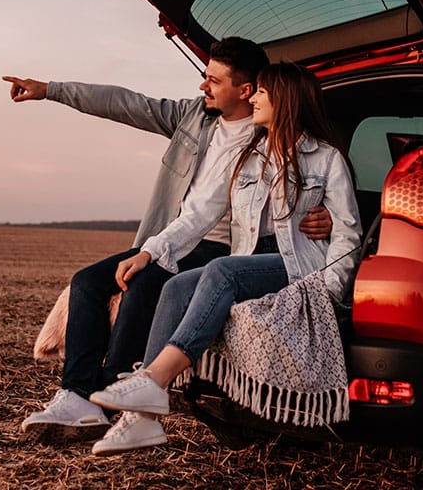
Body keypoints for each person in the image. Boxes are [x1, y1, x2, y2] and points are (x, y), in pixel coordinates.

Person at [2, 39, 334, 444]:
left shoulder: (267, 139)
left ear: (246, 91)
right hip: (173, 236)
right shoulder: (194, 116)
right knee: (87, 283)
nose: (202, 87)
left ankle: (110, 401)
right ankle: (76, 396)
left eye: (213, 80)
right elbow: (126, 103)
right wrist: (51, 90)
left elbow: (308, 188)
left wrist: (324, 215)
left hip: (225, 248)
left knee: (143, 287)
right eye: (204, 77)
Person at [87, 62, 363, 455]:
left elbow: (348, 232)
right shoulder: (246, 155)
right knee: (178, 285)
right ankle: (140, 421)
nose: (253, 97)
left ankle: (155, 379)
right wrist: (151, 250)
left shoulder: (325, 158)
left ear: (285, 99)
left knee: (221, 271)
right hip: (251, 260)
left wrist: (326, 290)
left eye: (262, 92)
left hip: (299, 265)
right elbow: (198, 213)